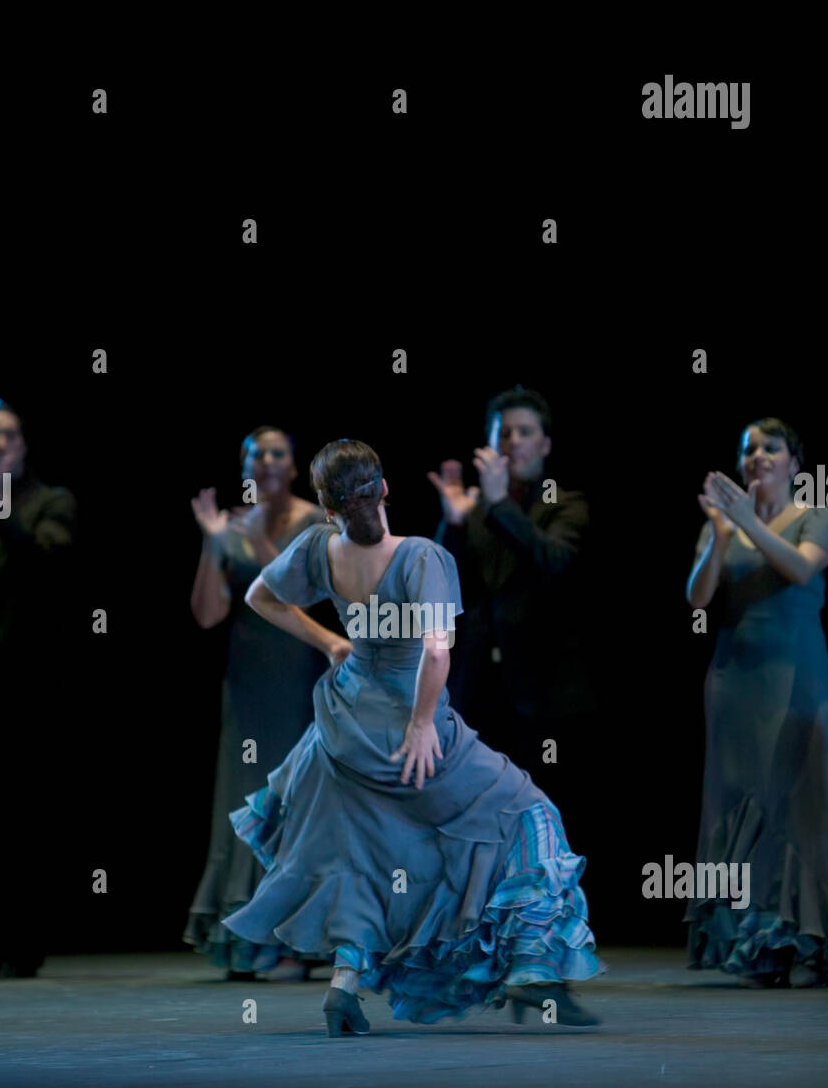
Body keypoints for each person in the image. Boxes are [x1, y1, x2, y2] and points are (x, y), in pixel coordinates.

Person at [221, 438, 601, 1034]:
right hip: (405, 724)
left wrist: (331, 642)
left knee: (370, 854)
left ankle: (344, 989)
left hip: (345, 726)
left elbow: (257, 596)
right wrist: (423, 723)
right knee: (530, 812)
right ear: (385, 489)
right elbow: (435, 651)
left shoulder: (321, 548)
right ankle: (530, 968)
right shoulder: (421, 557)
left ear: (327, 508)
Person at [685, 417, 828, 987]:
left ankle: (805, 942)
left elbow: (799, 569)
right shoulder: (724, 524)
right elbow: (697, 600)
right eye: (749, 448)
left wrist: (748, 521)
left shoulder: (815, 512)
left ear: (795, 463)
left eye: (771, 448)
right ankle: (755, 944)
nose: (757, 456)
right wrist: (723, 535)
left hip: (797, 674)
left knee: (800, 805)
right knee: (741, 802)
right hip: (734, 679)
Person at [182, 426, 328, 980]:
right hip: (246, 682)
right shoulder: (231, 527)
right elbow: (207, 614)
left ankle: (295, 940)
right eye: (255, 453)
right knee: (242, 794)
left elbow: (296, 595)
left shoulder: (313, 520)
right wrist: (212, 543)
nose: (265, 462)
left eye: (276, 453)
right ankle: (245, 938)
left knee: (294, 798)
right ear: (244, 464)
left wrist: (254, 537)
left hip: (298, 676)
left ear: (292, 466)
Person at [427, 387, 596, 844]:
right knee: (478, 812)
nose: (513, 442)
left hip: (547, 694)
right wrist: (454, 524)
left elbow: (552, 560)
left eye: (525, 432)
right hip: (482, 686)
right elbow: (447, 585)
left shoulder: (566, 502)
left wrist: (500, 505)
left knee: (545, 813)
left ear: (545, 444)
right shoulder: (476, 505)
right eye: (504, 433)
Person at [0, 397, 77, 978]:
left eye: (10, 437)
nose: (1, 447)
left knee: (20, 814)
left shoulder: (50, 502)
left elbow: (47, 561)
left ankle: (20, 943)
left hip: (23, 680)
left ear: (25, 445)